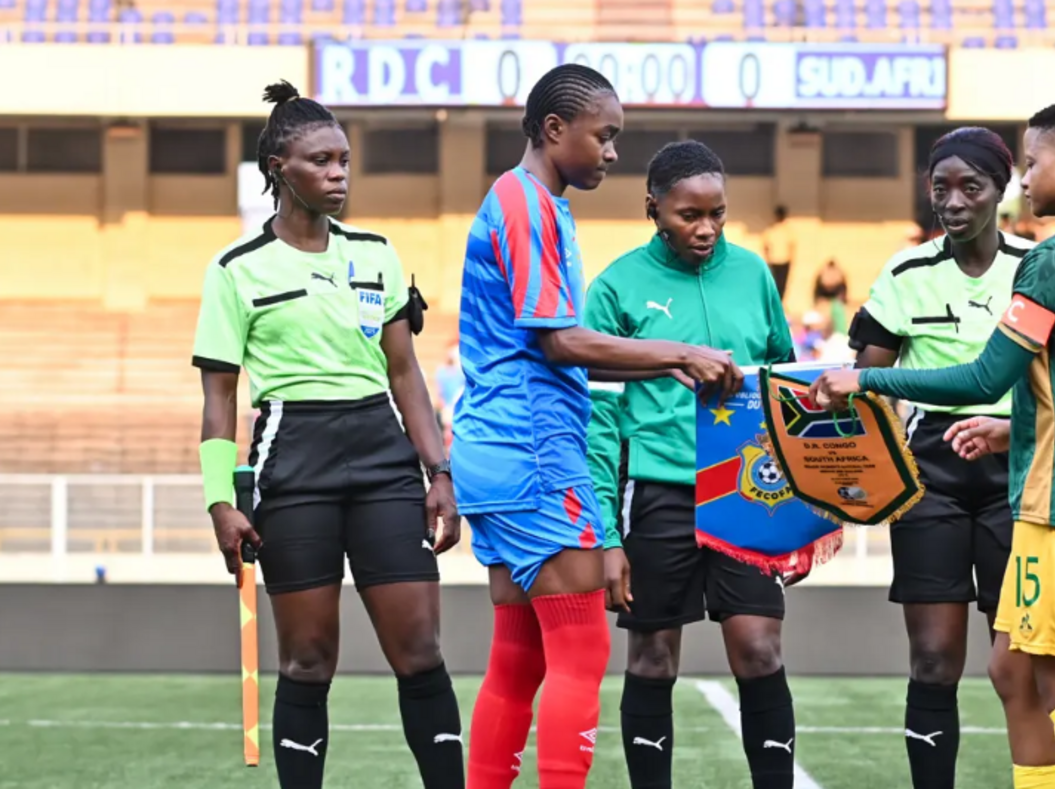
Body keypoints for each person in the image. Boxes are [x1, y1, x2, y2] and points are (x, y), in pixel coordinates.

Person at [809, 98, 1055, 789]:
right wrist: (1013, 427)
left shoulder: (1052, 259)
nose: (1027, 177)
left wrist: (864, 377)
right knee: (1009, 667)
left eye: (1029, 163)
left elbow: (984, 373)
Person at [450, 64, 740, 789]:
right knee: (579, 653)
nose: (612, 152)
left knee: (517, 658)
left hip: (497, 447)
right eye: (604, 136)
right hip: (535, 449)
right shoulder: (529, 206)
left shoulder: (525, 202)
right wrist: (678, 350)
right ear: (555, 130)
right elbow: (556, 342)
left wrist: (658, 365)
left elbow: (554, 346)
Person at [193, 81, 464, 789]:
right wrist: (220, 501)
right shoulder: (235, 270)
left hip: (384, 460)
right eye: (322, 161)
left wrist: (439, 472)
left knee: (421, 650)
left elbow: (405, 374)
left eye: (345, 160)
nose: (339, 174)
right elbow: (219, 399)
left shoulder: (376, 252)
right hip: (295, 465)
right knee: (308, 660)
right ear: (280, 167)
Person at [847, 126, 1055, 789]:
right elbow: (867, 383)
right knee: (935, 658)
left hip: (1022, 474)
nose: (952, 200)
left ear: (1001, 193)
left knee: (1021, 663)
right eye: (939, 187)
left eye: (969, 186)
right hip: (930, 479)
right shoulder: (905, 271)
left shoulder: (1038, 267)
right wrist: (867, 477)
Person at [583, 140, 800, 789]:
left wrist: (801, 507)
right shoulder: (616, 287)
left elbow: (786, 389)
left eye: (717, 214)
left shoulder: (756, 274)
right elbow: (598, 423)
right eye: (688, 215)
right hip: (656, 494)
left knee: (760, 648)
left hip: (746, 495)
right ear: (653, 208)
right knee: (652, 656)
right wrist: (607, 535)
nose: (705, 228)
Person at [762, 204, 795, 299]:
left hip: (782, 261)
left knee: (781, 285)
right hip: (775, 261)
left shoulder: (786, 230)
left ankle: (779, 304)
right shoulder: (771, 229)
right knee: (776, 285)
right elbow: (766, 246)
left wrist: (790, 259)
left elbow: (791, 246)